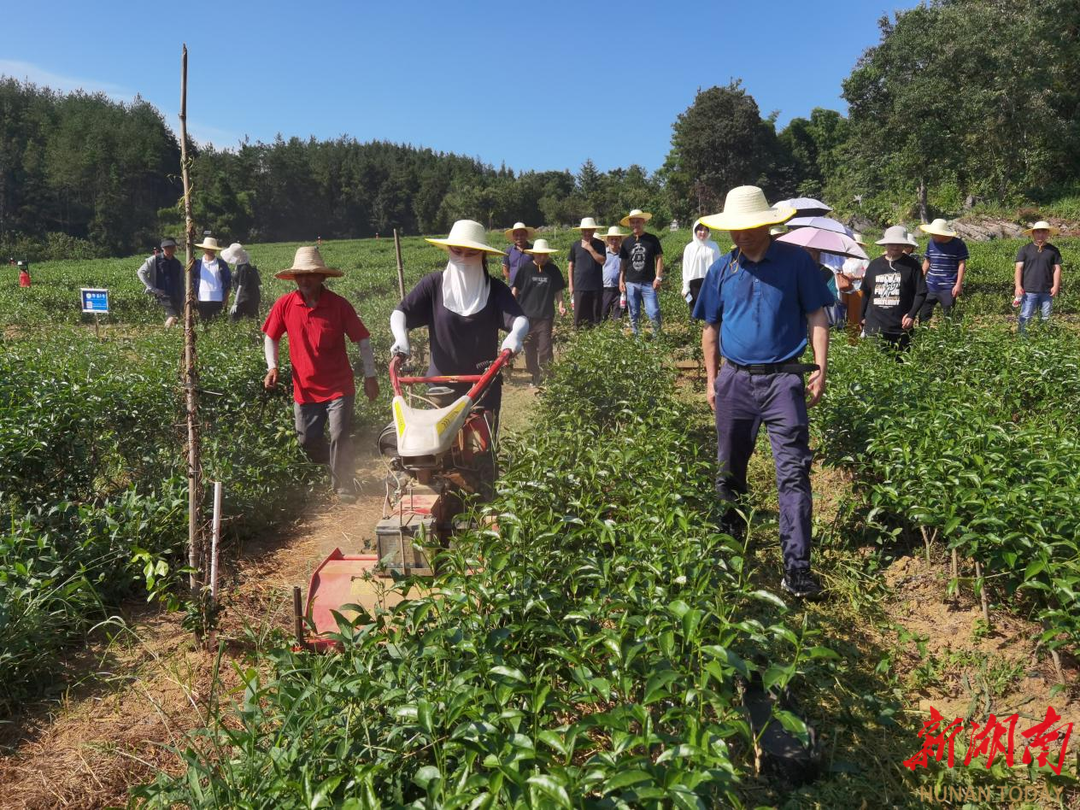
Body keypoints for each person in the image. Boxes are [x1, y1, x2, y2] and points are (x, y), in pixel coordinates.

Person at [694, 186, 833, 600]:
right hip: (735, 380)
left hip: (783, 381)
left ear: (768, 224)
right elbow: (710, 329)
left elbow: (817, 315)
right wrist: (711, 378)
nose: (742, 236)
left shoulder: (795, 264)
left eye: (750, 227)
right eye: (735, 229)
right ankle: (729, 539)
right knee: (729, 468)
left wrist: (821, 368)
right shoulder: (722, 269)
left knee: (792, 471)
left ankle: (797, 567)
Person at [262, 246, 379, 503]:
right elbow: (271, 336)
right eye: (300, 276)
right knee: (306, 441)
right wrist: (273, 366)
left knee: (338, 434)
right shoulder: (285, 305)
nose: (305, 280)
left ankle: (343, 485)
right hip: (304, 388)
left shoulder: (339, 306)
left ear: (322, 278)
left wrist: (369, 376)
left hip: (339, 386)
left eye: (311, 275)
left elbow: (363, 340)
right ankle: (340, 463)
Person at [390, 219, 528, 422]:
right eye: (457, 251)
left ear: (482, 255)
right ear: (448, 250)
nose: (463, 258)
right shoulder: (434, 285)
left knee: (480, 444)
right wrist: (400, 338)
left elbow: (520, 319)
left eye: (471, 252)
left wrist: (516, 335)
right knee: (438, 444)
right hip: (440, 385)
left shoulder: (496, 289)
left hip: (482, 383)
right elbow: (401, 312)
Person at [860, 226, 928, 351]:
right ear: (885, 244)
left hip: (900, 326)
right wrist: (861, 316)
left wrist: (911, 315)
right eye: (892, 243)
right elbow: (866, 292)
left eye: (899, 244)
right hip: (875, 324)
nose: (895, 247)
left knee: (900, 363)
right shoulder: (874, 265)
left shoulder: (912, 266)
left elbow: (921, 292)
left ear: (904, 245)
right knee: (876, 363)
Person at [511, 238, 566, 386]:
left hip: (545, 316)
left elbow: (558, 291)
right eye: (539, 255)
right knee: (529, 349)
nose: (542, 257)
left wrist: (561, 305)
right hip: (526, 317)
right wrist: (511, 306)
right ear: (533, 254)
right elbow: (515, 288)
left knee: (545, 348)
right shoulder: (525, 269)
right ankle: (535, 375)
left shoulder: (553, 270)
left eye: (545, 255)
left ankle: (549, 375)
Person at [618, 208, 664, 335]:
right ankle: (636, 336)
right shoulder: (626, 241)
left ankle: (657, 337)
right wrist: (621, 279)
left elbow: (659, 258)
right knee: (633, 312)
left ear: (643, 222)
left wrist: (658, 278)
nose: (635, 225)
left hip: (649, 283)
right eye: (633, 222)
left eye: (638, 222)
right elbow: (623, 262)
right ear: (630, 224)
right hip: (631, 283)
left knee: (653, 311)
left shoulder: (652, 239)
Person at [1014, 220, 1063, 335]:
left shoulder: (1053, 250)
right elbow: (1018, 268)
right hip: (1028, 290)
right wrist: (1018, 286)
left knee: (1045, 317)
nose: (1041, 235)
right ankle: (1023, 339)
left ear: (1047, 234)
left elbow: (1057, 269)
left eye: (1044, 232)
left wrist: (1056, 286)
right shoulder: (1024, 249)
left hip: (1047, 290)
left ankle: (1043, 339)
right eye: (1038, 232)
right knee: (1025, 316)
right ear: (1033, 233)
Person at [918, 218, 968, 321]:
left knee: (948, 316)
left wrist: (958, 284)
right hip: (930, 285)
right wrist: (920, 279)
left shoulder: (958, 244)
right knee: (923, 315)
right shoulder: (931, 243)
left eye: (935, 234)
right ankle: (922, 335)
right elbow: (927, 261)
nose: (932, 236)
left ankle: (948, 336)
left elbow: (962, 264)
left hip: (948, 287)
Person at [567, 217, 606, 327]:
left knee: (595, 317)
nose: (587, 233)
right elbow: (571, 265)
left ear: (594, 230)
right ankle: (579, 338)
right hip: (580, 286)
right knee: (579, 317)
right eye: (585, 230)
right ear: (581, 231)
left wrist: (590, 248)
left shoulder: (600, 244)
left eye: (590, 230)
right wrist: (571, 284)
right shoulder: (575, 245)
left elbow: (602, 261)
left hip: (596, 286)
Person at [137, 237, 183, 327]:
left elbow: (181, 281)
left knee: (177, 318)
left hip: (176, 296)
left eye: (171, 247)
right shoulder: (154, 259)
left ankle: (167, 337)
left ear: (175, 248)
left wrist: (183, 297)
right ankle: (165, 333)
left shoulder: (177, 263)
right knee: (172, 316)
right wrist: (153, 289)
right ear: (162, 248)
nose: (169, 249)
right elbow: (141, 272)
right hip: (162, 296)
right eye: (167, 247)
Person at [681, 220, 720, 314]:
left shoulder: (713, 246)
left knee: (710, 310)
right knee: (695, 310)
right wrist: (685, 286)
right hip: (694, 283)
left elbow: (718, 265)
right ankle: (694, 328)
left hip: (710, 281)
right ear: (695, 231)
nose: (703, 232)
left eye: (705, 230)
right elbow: (686, 268)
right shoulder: (689, 247)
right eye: (700, 230)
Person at [193, 236, 232, 321]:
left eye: (212, 249)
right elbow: (192, 281)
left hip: (218, 299)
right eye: (207, 249)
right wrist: (194, 296)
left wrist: (226, 298)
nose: (210, 251)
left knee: (219, 324)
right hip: (202, 299)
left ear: (215, 250)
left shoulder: (221, 264)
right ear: (204, 249)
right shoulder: (197, 264)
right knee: (204, 325)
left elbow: (228, 282)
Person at [222, 242, 261, 320]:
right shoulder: (241, 266)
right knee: (252, 318)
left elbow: (241, 286)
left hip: (245, 298)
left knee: (234, 318)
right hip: (247, 297)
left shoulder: (244, 268)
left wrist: (235, 303)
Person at [600, 226, 627, 320]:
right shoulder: (602, 253)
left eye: (616, 239)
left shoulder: (623, 254)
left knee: (618, 314)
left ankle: (617, 330)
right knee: (603, 313)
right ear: (607, 240)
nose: (614, 241)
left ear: (620, 240)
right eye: (612, 239)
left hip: (618, 288)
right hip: (605, 288)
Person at [501, 222, 536, 287]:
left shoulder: (533, 249)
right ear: (513, 236)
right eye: (516, 235)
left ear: (526, 235)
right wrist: (514, 280)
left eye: (522, 234)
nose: (519, 237)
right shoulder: (509, 251)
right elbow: (505, 271)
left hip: (530, 287)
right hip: (513, 286)